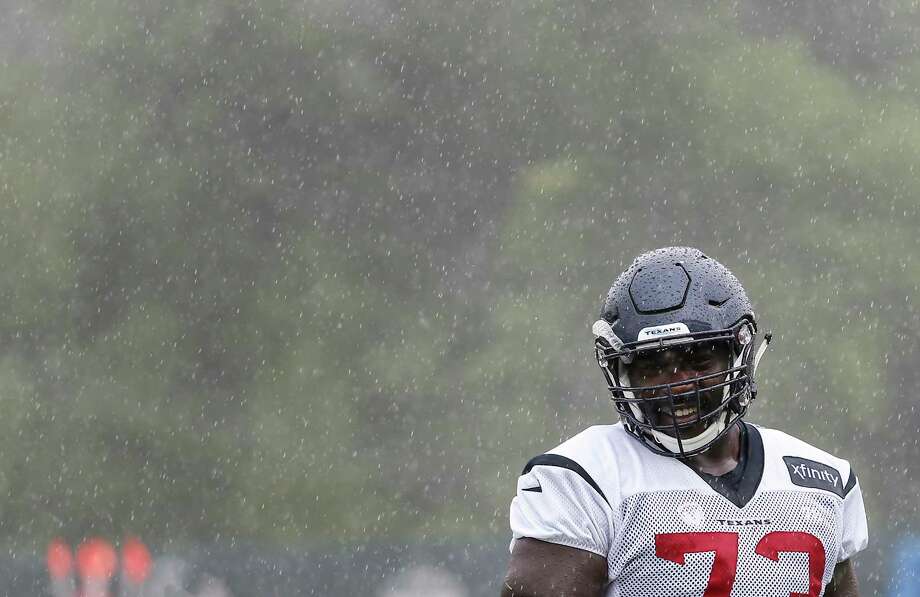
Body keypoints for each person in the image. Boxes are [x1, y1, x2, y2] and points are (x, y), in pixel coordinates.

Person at [501, 247, 868, 597]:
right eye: (653, 366)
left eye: (698, 360)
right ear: (621, 372)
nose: (677, 385)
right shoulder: (583, 478)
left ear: (736, 355)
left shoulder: (822, 481)